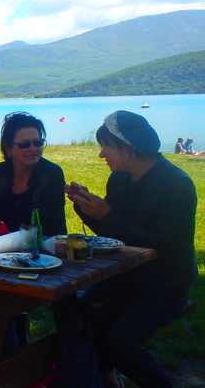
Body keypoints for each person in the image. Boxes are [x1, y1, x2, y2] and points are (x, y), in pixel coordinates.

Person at [64, 110, 197, 387]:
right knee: (82, 313)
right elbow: (115, 235)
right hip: (127, 277)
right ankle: (106, 376)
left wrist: (107, 215)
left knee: (119, 341)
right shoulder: (120, 180)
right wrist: (86, 206)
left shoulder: (177, 185)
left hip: (165, 285)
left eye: (106, 147)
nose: (101, 155)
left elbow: (166, 246)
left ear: (128, 148)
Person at [0, 112, 67, 236]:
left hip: (44, 247)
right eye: (24, 144)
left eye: (37, 143)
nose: (33, 149)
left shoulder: (51, 174)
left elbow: (51, 225)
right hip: (2, 245)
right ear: (8, 148)